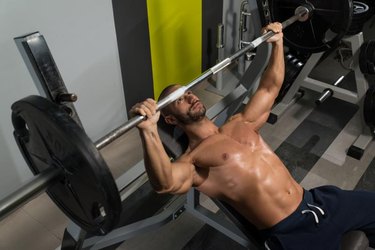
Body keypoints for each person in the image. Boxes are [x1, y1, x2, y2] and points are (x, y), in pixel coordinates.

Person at [130, 22, 375, 249]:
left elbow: (270, 88)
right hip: (293, 232)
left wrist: (278, 44)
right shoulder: (194, 161)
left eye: (188, 92)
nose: (190, 97)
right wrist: (149, 130)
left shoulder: (240, 123)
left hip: (318, 201)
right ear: (170, 118)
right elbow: (166, 183)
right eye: (179, 100)